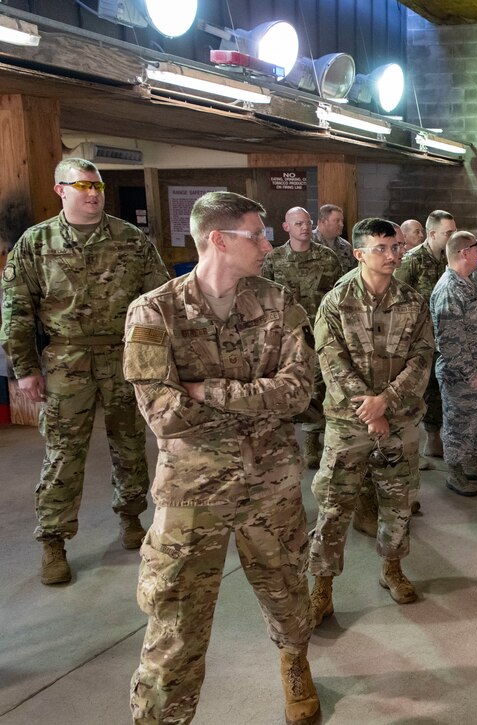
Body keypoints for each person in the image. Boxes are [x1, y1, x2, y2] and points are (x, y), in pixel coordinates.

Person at [124, 191, 320, 725]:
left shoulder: (278, 303)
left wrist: (207, 391)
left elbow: (299, 392)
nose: (267, 243)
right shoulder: (153, 311)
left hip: (269, 483)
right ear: (218, 239)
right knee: (176, 621)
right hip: (191, 492)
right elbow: (162, 414)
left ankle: (294, 659)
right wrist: (256, 403)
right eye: (255, 235)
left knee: (285, 590)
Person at [0, 157, 168, 585]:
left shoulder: (131, 240)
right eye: (82, 186)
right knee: (63, 453)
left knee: (130, 443)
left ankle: (131, 517)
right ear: (61, 190)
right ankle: (54, 540)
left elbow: (158, 303)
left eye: (97, 187)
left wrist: (154, 361)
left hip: (122, 359)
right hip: (65, 361)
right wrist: (24, 369)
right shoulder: (36, 243)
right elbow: (16, 311)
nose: (92, 194)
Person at [309, 218, 433, 614]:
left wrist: (387, 402)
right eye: (380, 248)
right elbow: (331, 361)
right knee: (333, 505)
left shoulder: (412, 301)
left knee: (397, 500)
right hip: (349, 423)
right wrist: (369, 408)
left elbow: (421, 357)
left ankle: (392, 568)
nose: (392, 255)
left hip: (398, 419)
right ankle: (322, 586)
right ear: (359, 253)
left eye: (395, 246)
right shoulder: (336, 301)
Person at [261, 207, 343, 469]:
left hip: (321, 332)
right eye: (298, 224)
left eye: (307, 223)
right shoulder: (273, 259)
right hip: (286, 337)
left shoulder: (328, 258)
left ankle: (313, 441)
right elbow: (263, 298)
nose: (304, 228)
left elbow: (339, 297)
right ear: (286, 227)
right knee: (286, 387)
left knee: (320, 387)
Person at [430, 231, 477, 496]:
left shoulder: (467, 282)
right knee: (460, 422)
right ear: (463, 253)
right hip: (462, 374)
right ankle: (456, 471)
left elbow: (470, 322)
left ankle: (473, 463)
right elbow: (449, 341)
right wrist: (470, 373)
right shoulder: (449, 288)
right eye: (476, 247)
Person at [394, 210, 456, 461]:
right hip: (415, 340)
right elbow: (396, 299)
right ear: (432, 234)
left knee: (436, 388)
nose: (452, 237)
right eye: (448, 233)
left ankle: (433, 436)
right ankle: (408, 448)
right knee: (413, 392)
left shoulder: (447, 259)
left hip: (441, 336)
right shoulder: (412, 260)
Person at [313, 203, 355, 273]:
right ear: (323, 221)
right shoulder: (308, 242)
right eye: (337, 221)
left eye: (342, 221)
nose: (341, 225)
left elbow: (352, 273)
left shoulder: (346, 246)